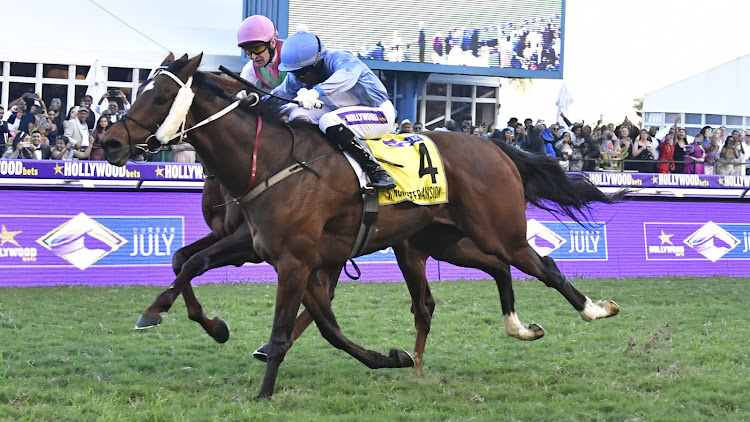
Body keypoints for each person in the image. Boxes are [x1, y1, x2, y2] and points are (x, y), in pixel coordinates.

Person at [270, 27, 396, 189]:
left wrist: (316, 92)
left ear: (318, 64)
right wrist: (253, 100)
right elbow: (278, 95)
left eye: (302, 73)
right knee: (294, 113)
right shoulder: (299, 76)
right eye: (295, 73)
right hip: (342, 112)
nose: (299, 79)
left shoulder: (342, 59)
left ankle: (377, 171)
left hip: (379, 113)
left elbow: (345, 77)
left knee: (328, 120)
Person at [237, 15, 286, 90]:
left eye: (257, 49)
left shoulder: (292, 54)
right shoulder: (252, 67)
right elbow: (240, 90)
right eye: (248, 51)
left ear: (272, 43)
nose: (253, 56)